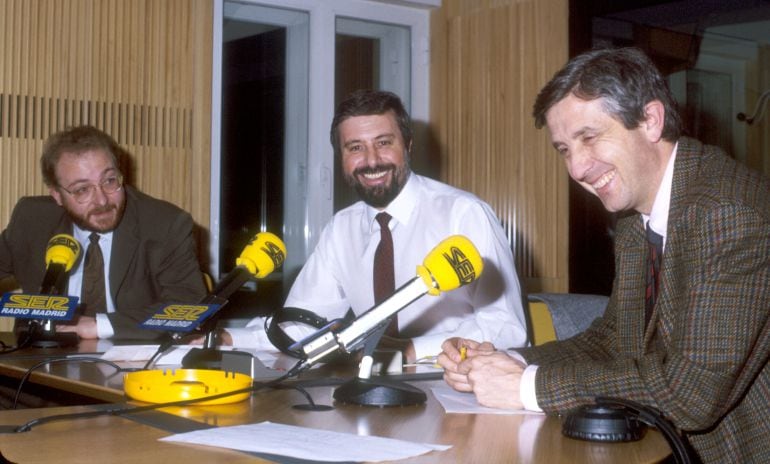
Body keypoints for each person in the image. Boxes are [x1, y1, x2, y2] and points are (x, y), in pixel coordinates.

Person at [438, 47, 770, 463]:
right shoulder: (637, 216)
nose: (577, 168)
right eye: (564, 149)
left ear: (650, 120)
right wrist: (503, 361)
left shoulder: (729, 214)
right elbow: (613, 338)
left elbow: (691, 394)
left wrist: (528, 386)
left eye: (589, 137)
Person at [225, 89, 528, 363]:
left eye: (383, 143)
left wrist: (410, 350)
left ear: (407, 145)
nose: (371, 161)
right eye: (355, 148)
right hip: (370, 385)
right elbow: (303, 324)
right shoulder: (340, 229)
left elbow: (506, 327)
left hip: (455, 382)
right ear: (340, 157)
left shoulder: (464, 213)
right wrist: (226, 339)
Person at [0, 125, 207, 341]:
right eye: (82, 189)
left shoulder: (164, 224)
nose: (102, 200)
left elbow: (189, 307)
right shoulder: (32, 220)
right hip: (40, 358)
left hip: (130, 358)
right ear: (57, 196)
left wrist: (99, 326)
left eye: (109, 181)